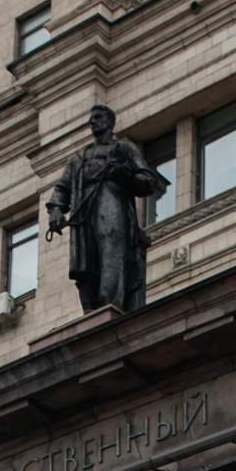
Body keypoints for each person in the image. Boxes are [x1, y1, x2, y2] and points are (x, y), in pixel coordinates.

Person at [46, 105, 169, 315]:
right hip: (83, 210)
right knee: (86, 263)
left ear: (110, 123)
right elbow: (62, 188)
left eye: (98, 118)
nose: (93, 122)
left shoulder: (124, 150)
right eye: (91, 118)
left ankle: (108, 306)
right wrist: (56, 210)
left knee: (111, 251)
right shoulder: (78, 158)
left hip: (110, 201)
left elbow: (147, 181)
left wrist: (125, 174)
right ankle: (91, 312)